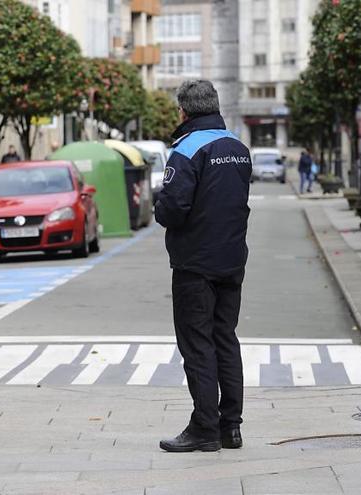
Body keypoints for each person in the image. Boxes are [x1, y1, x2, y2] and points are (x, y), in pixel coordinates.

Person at [154, 80, 252, 453]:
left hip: (195, 264)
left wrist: (160, 209)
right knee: (225, 338)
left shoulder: (187, 148)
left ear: (184, 111)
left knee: (197, 345)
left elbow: (173, 208)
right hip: (232, 259)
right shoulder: (238, 148)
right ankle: (231, 427)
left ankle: (205, 428)